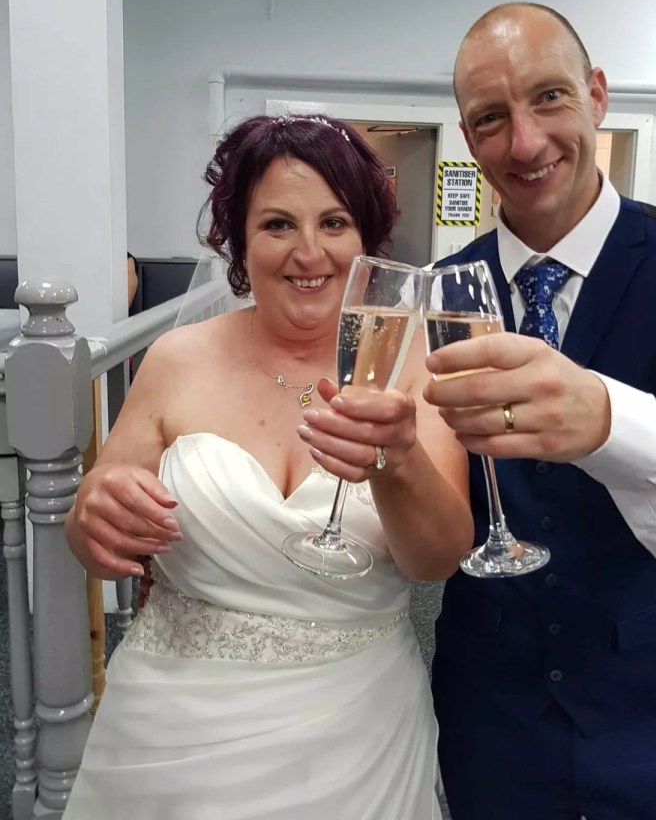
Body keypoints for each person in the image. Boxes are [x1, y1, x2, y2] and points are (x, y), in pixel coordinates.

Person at [63, 113, 472, 820]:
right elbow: (95, 529)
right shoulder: (176, 357)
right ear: (239, 241)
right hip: (172, 727)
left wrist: (396, 460)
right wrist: (93, 516)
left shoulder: (415, 364)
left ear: (366, 239)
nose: (308, 252)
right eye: (277, 224)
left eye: (335, 223)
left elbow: (436, 560)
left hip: (355, 732)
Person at [424, 2, 656, 820]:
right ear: (467, 133)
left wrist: (605, 421)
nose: (524, 143)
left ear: (596, 94)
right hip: (490, 709)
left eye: (549, 97)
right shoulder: (439, 288)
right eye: (491, 118)